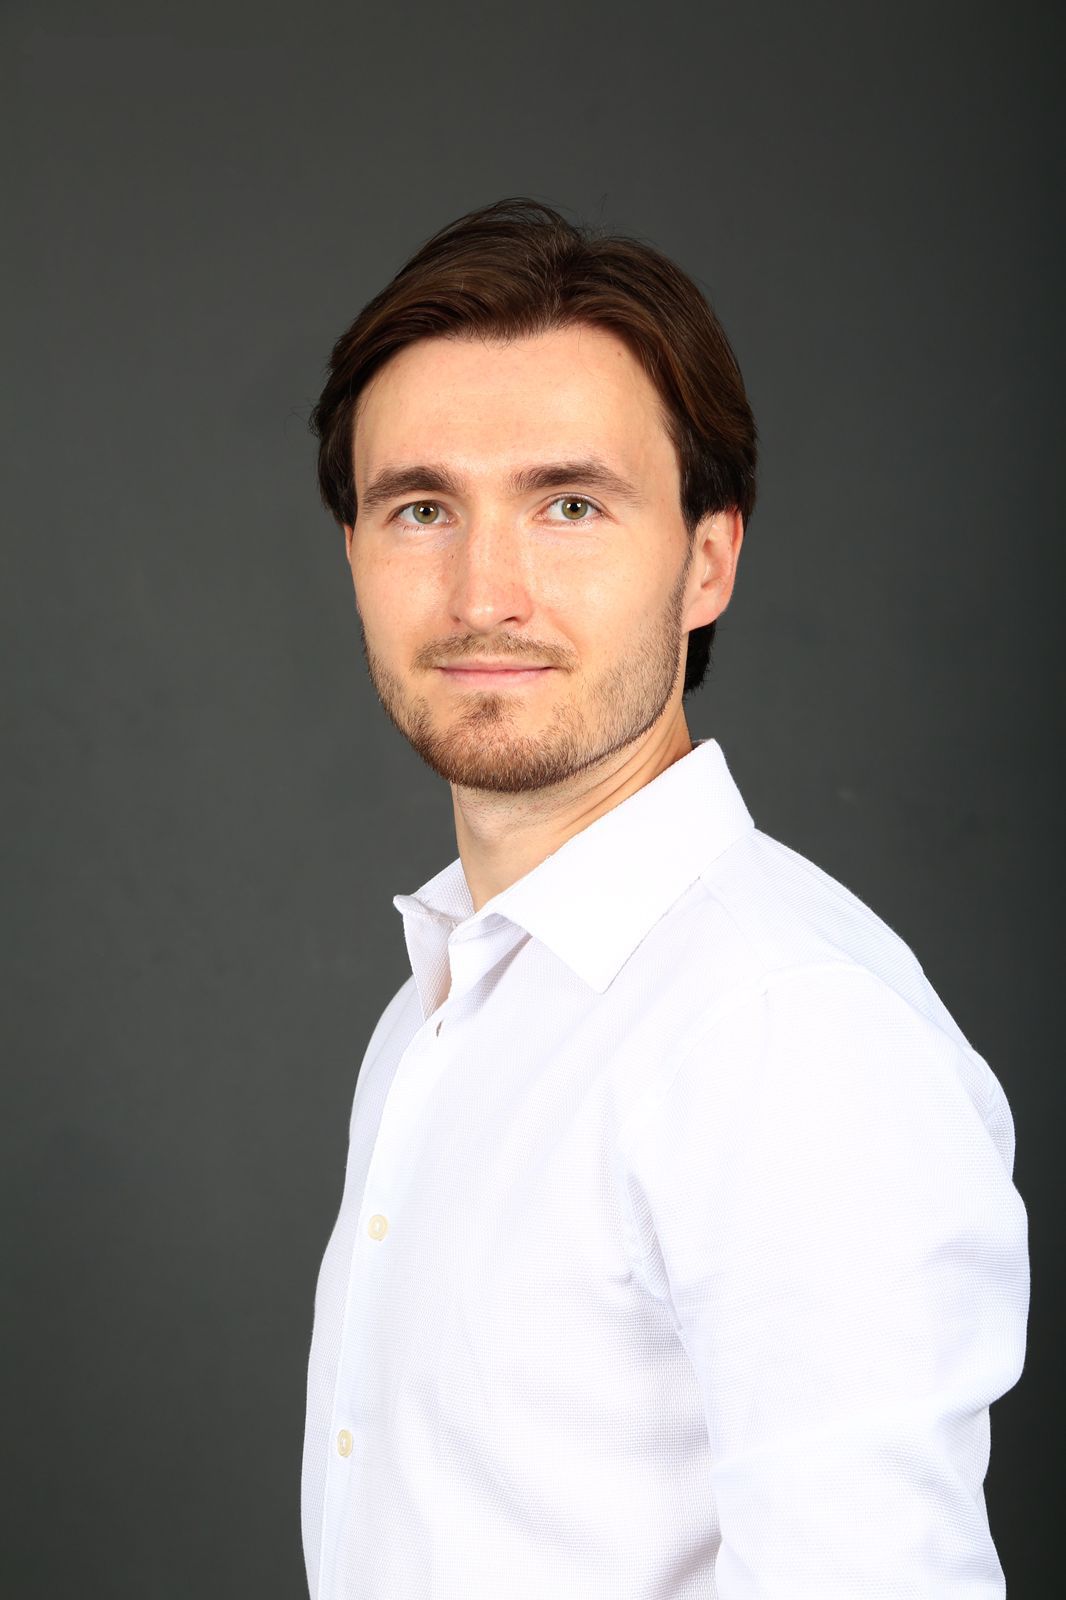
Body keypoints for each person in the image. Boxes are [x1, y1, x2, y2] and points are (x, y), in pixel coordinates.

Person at [299, 197, 1029, 1599]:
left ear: (706, 563)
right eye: (422, 509)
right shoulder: (451, 998)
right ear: (355, 557)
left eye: (569, 505)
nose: (484, 593)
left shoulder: (785, 1033)